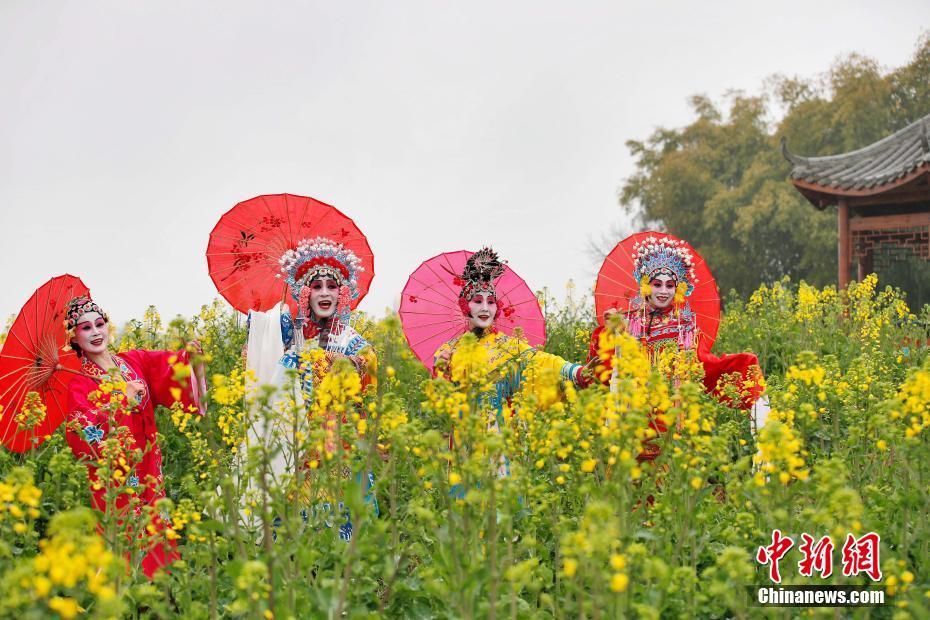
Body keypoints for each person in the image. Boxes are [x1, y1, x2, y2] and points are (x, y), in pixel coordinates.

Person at [589, 235, 768, 462]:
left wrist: (742, 366)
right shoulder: (630, 322)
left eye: (670, 285)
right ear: (646, 285)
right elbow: (604, 367)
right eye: (657, 284)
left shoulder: (686, 327)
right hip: (635, 417)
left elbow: (705, 366)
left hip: (674, 416)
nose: (663, 291)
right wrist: (609, 331)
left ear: (678, 288)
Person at [63, 295, 206, 577]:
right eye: (85, 328)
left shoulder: (134, 361)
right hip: (117, 482)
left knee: (158, 537)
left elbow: (168, 369)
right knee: (126, 544)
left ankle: (164, 592)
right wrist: (119, 401)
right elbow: (84, 437)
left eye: (99, 324)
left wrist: (190, 357)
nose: (95, 333)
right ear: (74, 338)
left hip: (150, 469)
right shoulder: (79, 385)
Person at [246, 236, 377, 541]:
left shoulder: (349, 337)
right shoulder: (288, 331)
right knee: (295, 528)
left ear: (342, 293)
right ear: (304, 293)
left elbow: (369, 367)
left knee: (346, 528)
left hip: (339, 441)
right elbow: (261, 366)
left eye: (332, 286)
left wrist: (336, 360)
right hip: (295, 439)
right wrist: (267, 340)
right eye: (316, 286)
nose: (325, 293)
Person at [433, 248, 591, 480]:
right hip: (463, 440)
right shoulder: (450, 350)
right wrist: (440, 371)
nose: (485, 308)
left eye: (491, 302)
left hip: (499, 434)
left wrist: (577, 372)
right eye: (478, 301)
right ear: (466, 307)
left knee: (498, 503)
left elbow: (543, 362)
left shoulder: (509, 346)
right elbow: (440, 401)